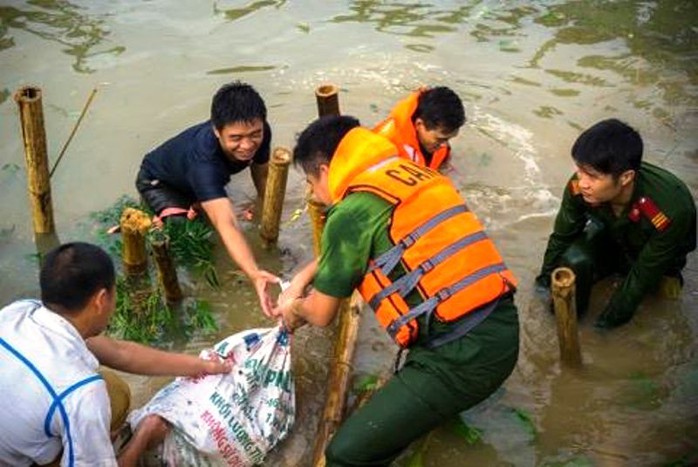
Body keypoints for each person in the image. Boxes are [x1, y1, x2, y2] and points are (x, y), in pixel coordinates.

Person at [274, 115, 519, 465]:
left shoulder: (349, 212)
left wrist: (291, 309)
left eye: (312, 182)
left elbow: (321, 314)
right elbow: (357, 244)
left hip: (461, 358)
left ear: (327, 171)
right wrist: (299, 279)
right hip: (500, 328)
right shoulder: (409, 175)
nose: (314, 194)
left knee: (344, 454)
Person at [0, 242, 231, 467]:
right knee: (109, 398)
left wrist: (203, 366)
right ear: (101, 300)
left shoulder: (18, 312)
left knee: (113, 391)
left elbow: (120, 353)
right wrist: (143, 436)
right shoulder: (82, 392)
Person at [535, 118, 696, 329]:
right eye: (580, 170)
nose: (582, 183)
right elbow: (562, 237)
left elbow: (642, 274)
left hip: (660, 258)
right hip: (613, 236)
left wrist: (605, 327)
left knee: (663, 303)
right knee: (574, 259)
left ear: (626, 177)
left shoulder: (669, 208)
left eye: (592, 176)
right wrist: (544, 284)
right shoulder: (579, 186)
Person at [135, 81, 278, 315]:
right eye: (236, 138)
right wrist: (254, 272)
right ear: (216, 131)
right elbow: (227, 223)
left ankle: (204, 200)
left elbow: (262, 173)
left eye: (255, 134)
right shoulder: (204, 162)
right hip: (159, 184)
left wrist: (269, 212)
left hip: (193, 177)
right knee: (197, 244)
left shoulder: (260, 132)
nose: (247, 145)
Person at [373, 86, 466, 171]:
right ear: (419, 125)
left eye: (449, 139)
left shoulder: (440, 143)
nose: (444, 145)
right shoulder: (384, 147)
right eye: (440, 139)